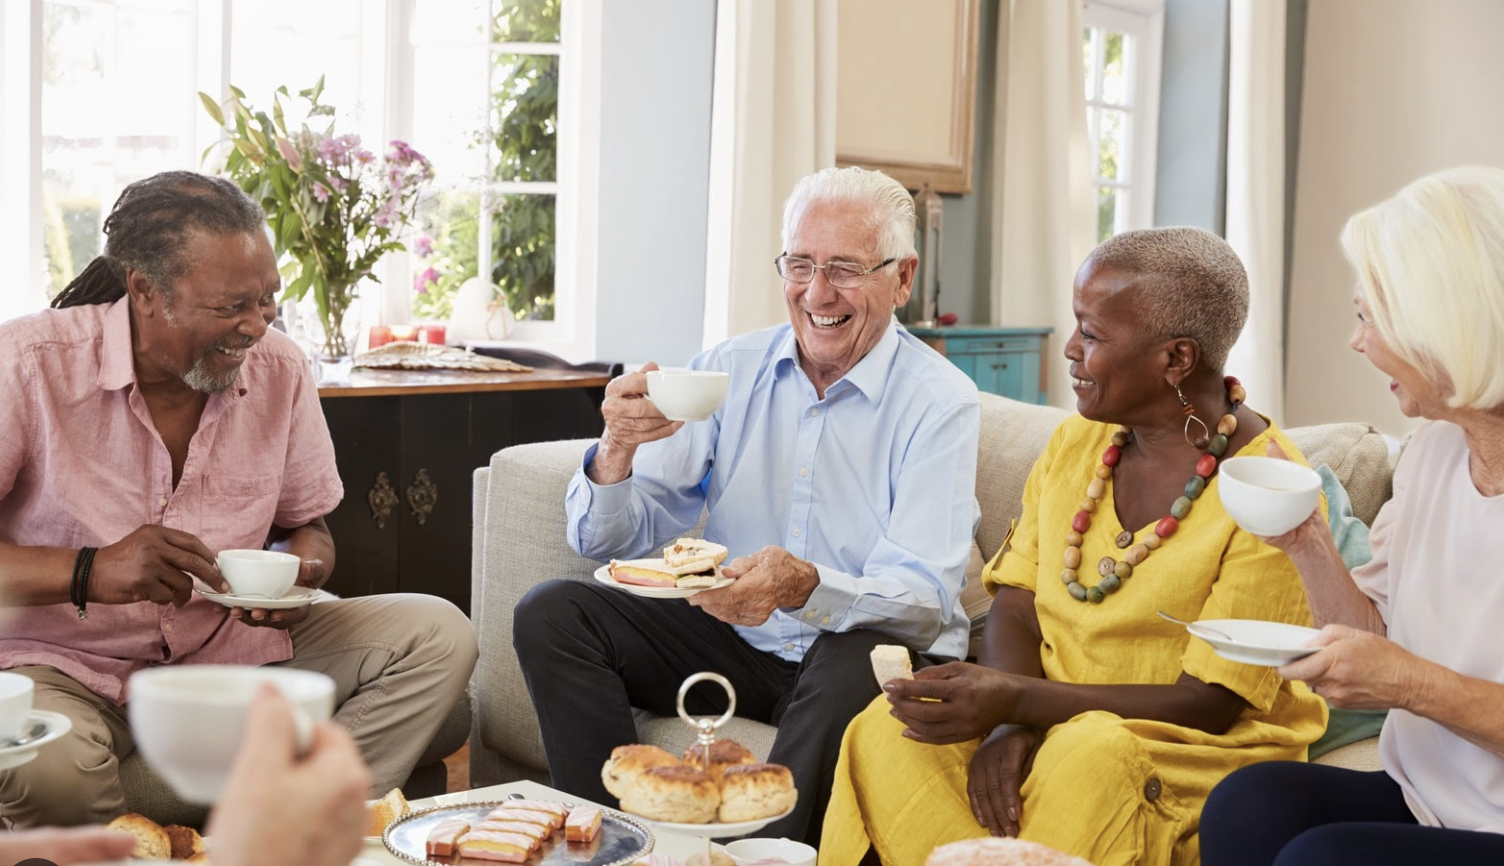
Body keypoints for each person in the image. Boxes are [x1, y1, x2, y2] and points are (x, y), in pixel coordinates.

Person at [819, 227, 1328, 865]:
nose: (1069, 350)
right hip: (1045, 714)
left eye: (1092, 334)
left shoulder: (1271, 490)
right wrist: (1009, 724)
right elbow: (1018, 602)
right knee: (887, 731)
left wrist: (1020, 705)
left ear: (1176, 359)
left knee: (1089, 754)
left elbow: (1211, 703)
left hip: (1181, 746)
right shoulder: (1077, 446)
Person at [512, 166, 982, 845]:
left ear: (901, 278)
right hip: (736, 638)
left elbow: (923, 599)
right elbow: (613, 538)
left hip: (848, 651)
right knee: (554, 612)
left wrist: (806, 586)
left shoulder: (940, 403)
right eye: (800, 264)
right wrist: (615, 449)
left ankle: (767, 857)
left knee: (861, 655)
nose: (817, 292)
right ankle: (613, 848)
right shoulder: (728, 368)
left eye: (845, 269)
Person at [0, 170, 478, 827]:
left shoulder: (281, 369)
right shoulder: (27, 365)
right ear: (144, 291)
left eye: (269, 299)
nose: (257, 326)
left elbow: (308, 528)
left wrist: (297, 575)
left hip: (227, 654)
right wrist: (90, 570)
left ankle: (286, 833)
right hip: (61, 665)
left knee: (437, 634)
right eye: (232, 307)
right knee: (42, 765)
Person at [1200, 167, 1504, 864]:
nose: (1356, 341)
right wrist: (1308, 542)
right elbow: (1375, 632)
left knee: (1322, 860)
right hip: (1428, 796)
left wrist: (1409, 681)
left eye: (1369, 317)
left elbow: (1399, 671)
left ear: (1443, 325)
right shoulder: (1432, 453)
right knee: (1247, 805)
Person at [0, 685, 371, 866]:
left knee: (426, 628)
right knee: (57, 771)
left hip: (226, 644)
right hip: (65, 665)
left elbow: (305, 531)